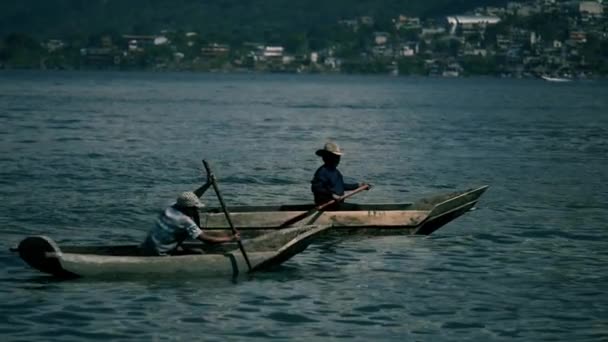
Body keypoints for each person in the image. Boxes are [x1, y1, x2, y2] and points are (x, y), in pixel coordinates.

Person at [141, 176, 239, 256]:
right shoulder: (185, 221)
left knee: (180, 247)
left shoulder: (171, 207)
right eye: (195, 208)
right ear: (188, 208)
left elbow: (191, 197)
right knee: (199, 252)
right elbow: (208, 240)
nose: (197, 209)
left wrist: (207, 185)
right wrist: (230, 238)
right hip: (159, 253)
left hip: (146, 247)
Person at [311, 142, 371, 206]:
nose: (338, 160)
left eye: (338, 157)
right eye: (335, 157)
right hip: (327, 205)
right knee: (356, 208)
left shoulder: (336, 172)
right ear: (326, 157)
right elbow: (316, 188)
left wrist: (358, 185)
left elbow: (340, 186)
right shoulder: (322, 172)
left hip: (337, 204)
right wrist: (332, 195)